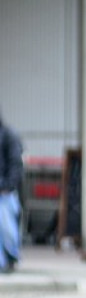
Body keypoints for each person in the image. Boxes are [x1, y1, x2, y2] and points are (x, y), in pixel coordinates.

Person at [0, 112, 23, 274]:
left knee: (7, 228)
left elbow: (16, 164)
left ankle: (10, 257)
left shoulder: (9, 135)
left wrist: (7, 185)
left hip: (5, 192)